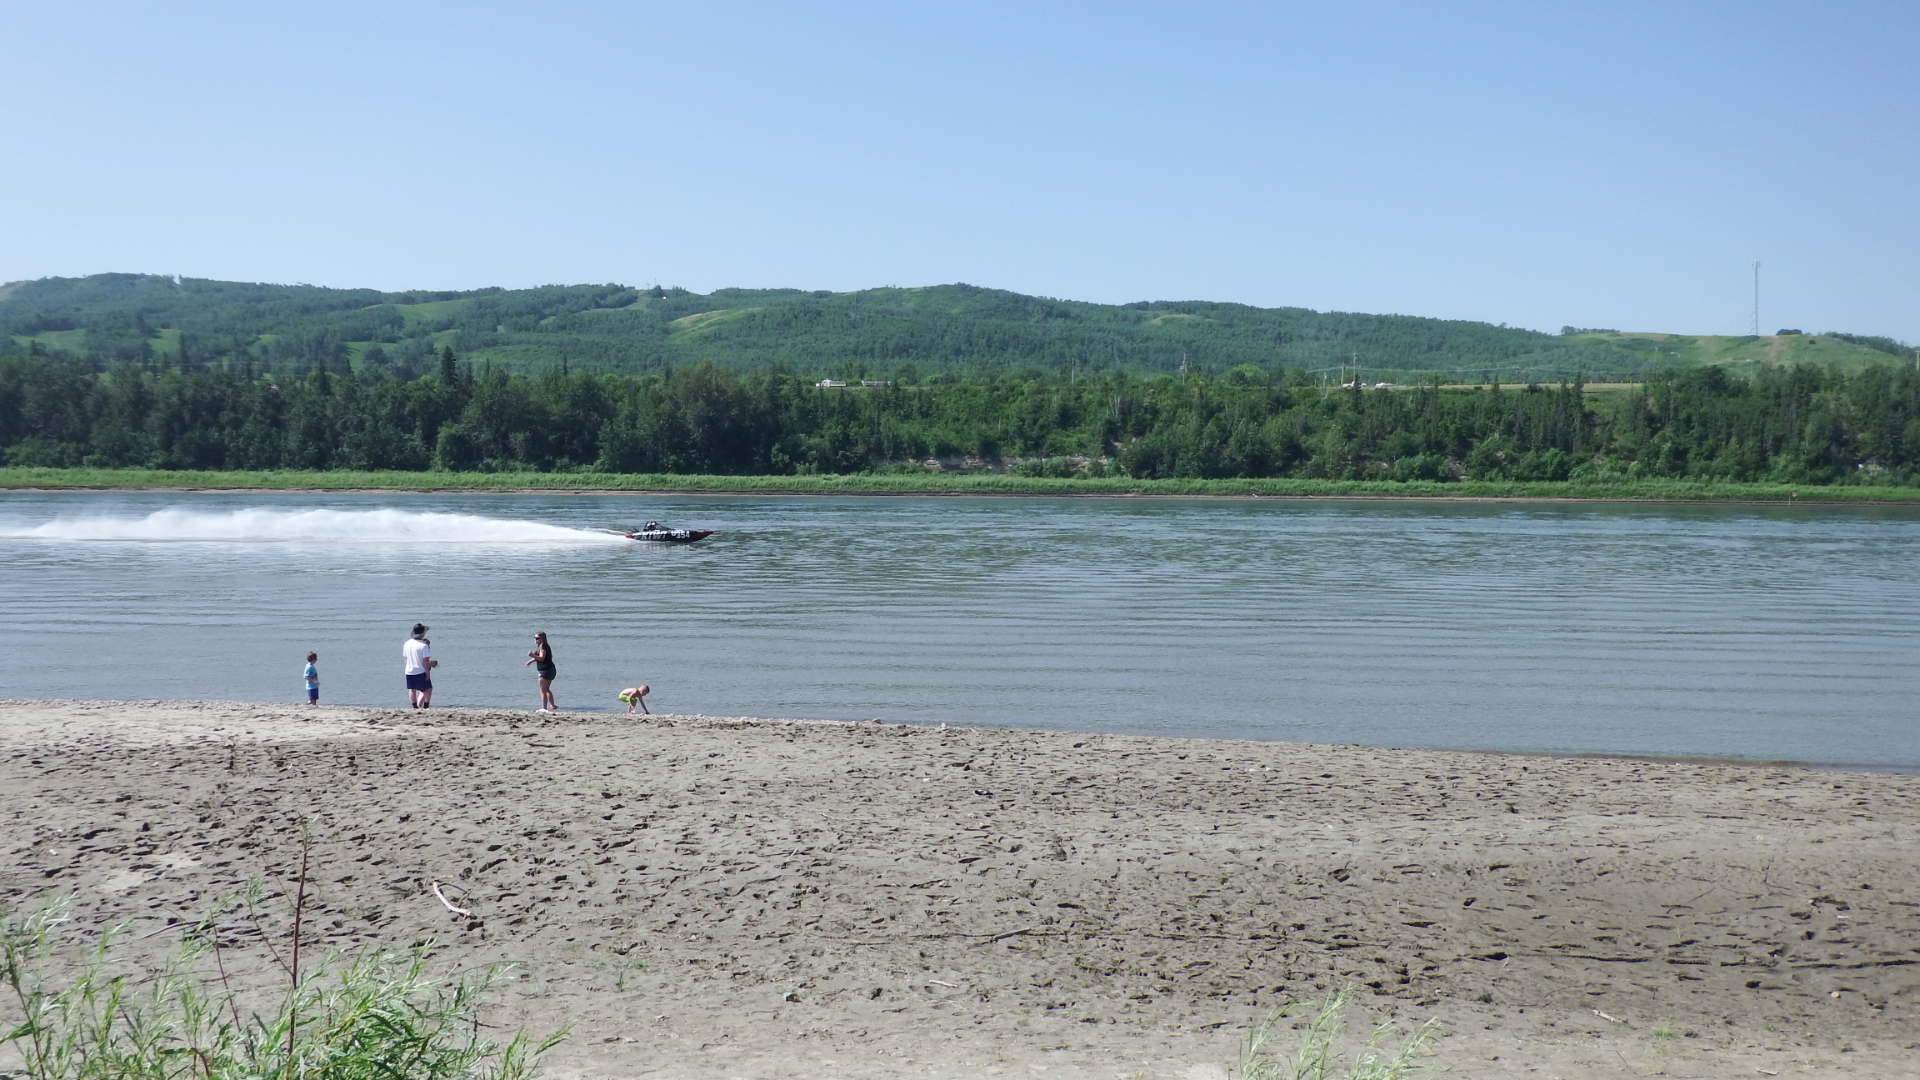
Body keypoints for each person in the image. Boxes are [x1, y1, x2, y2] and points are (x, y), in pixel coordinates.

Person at [403, 624, 437, 708]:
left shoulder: (407, 643)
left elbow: (405, 658)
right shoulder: (423, 645)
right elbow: (425, 661)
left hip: (409, 670)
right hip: (420, 671)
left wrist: (409, 665)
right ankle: (426, 706)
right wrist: (428, 673)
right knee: (428, 689)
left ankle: (415, 706)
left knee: (412, 689)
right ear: (423, 634)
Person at [526, 631, 557, 712]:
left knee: (542, 690)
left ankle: (544, 708)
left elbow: (541, 658)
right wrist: (530, 661)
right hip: (550, 669)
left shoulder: (543, 647)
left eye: (537, 638)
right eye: (535, 638)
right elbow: (538, 657)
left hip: (545, 670)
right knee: (546, 689)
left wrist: (532, 655)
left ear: (542, 639)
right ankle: (553, 705)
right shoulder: (542, 646)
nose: (535, 640)